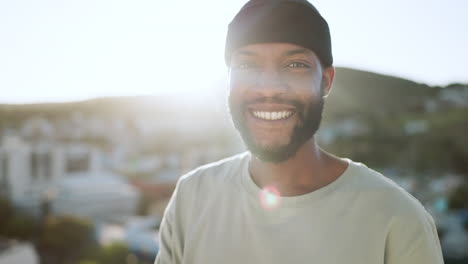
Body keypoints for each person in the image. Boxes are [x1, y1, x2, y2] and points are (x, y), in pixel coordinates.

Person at [154, 0, 444, 263]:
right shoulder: (193, 197)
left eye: (296, 65)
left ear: (326, 81)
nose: (269, 87)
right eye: (246, 64)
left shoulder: (397, 219)